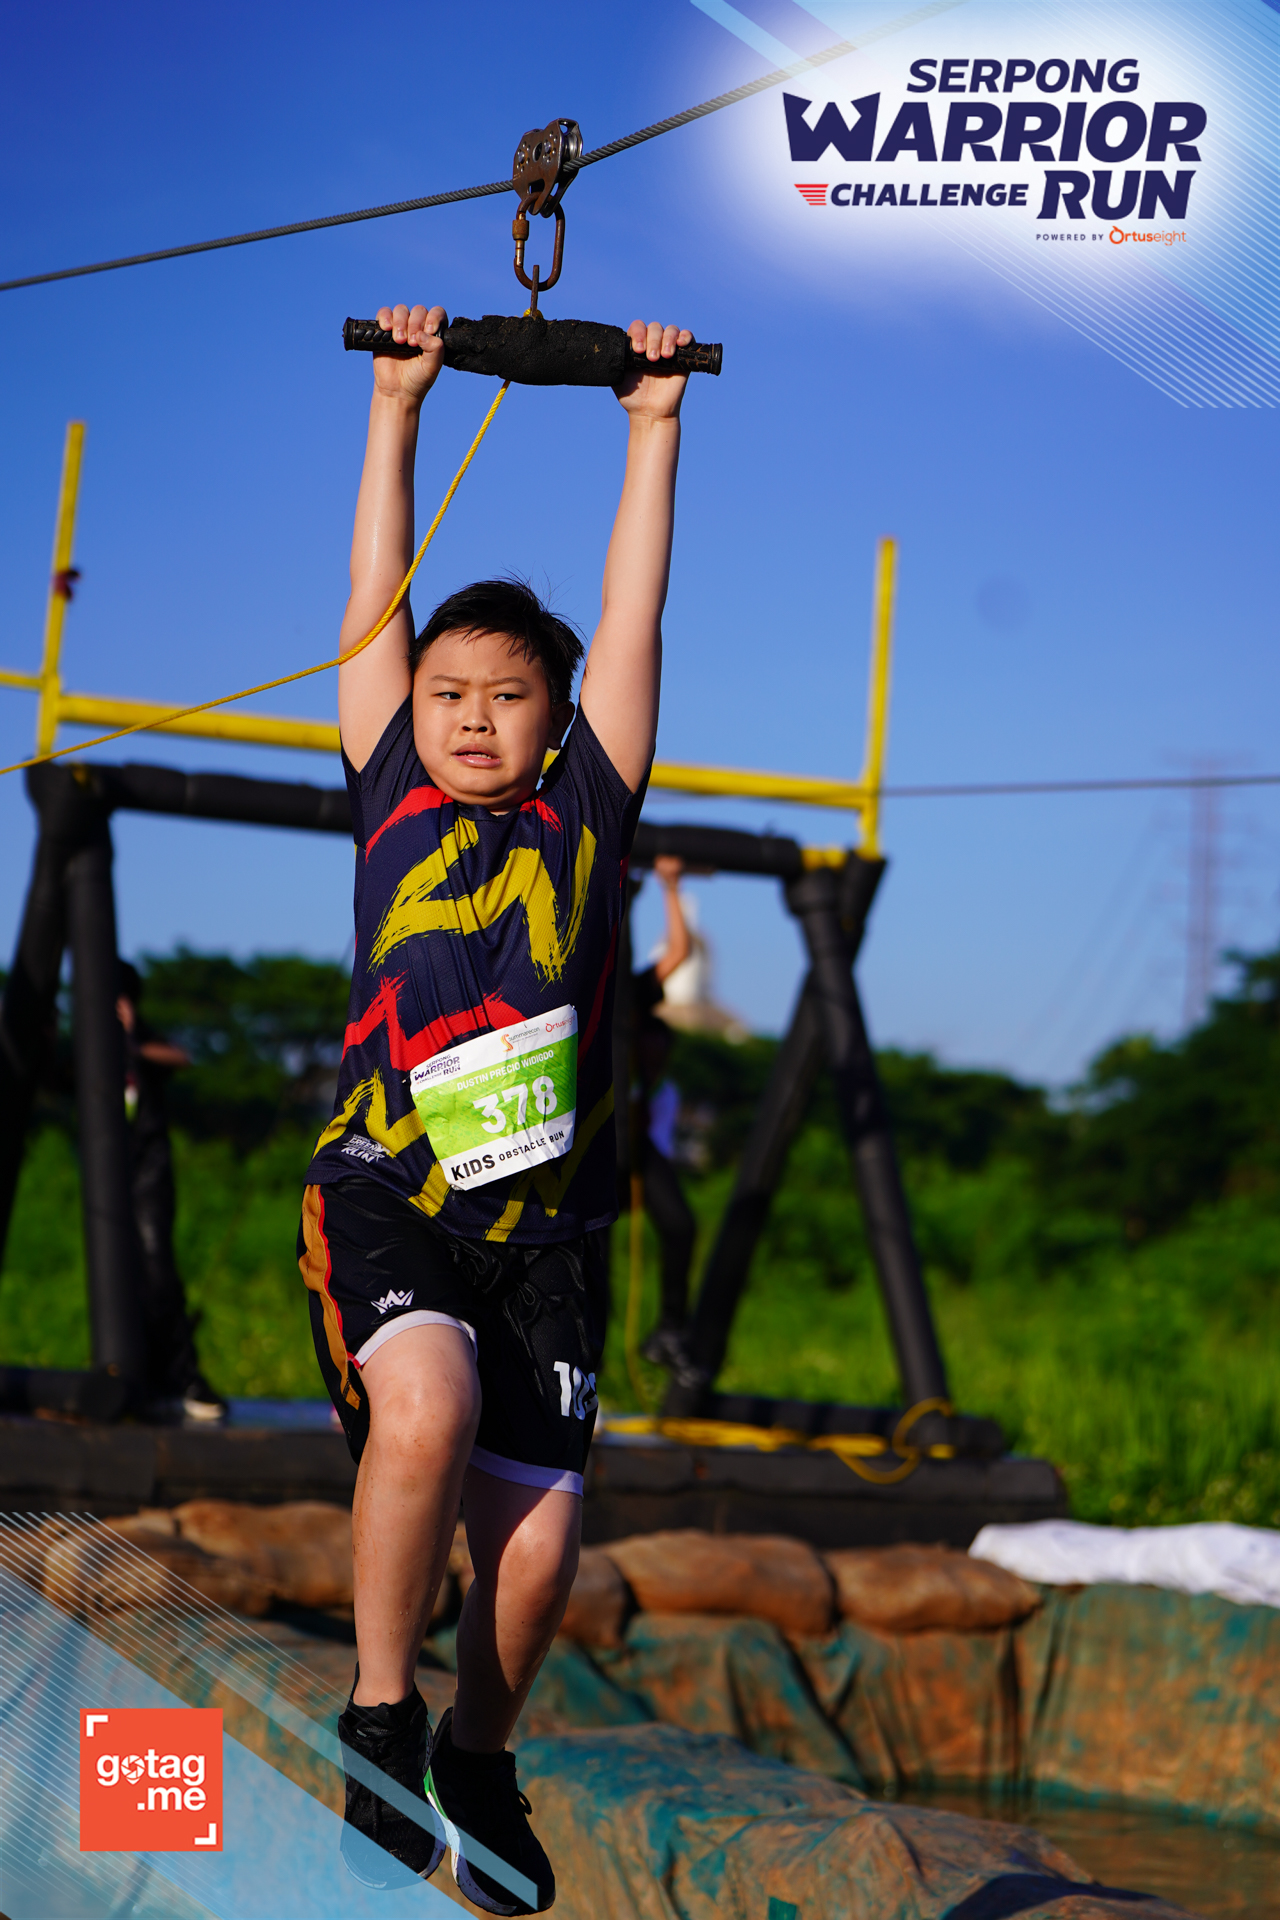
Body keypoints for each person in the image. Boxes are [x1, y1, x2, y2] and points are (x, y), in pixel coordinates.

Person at [297, 300, 692, 1910]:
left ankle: (475, 1751)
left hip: (551, 1235)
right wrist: (398, 408)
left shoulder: (591, 806)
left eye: (508, 694)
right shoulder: (390, 783)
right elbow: (373, 596)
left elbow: (634, 610)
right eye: (448, 689)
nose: (471, 713)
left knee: (535, 1562)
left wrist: (653, 426)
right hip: (389, 1190)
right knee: (430, 1407)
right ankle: (380, 1715)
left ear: (558, 714)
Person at [116, 963, 225, 1420]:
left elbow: (180, 1057)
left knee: (158, 1268)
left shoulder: (142, 1039)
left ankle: (183, 1375)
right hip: (107, 1176)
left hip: (148, 1170)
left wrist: (129, 1041)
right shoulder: (83, 1046)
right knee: (123, 1280)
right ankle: (140, 1377)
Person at [629, 859, 697, 1367]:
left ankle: (671, 1328)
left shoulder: (632, 994)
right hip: (590, 1134)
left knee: (680, 1224)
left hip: (634, 1142)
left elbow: (678, 953)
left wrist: (670, 886)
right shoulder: (573, 980)